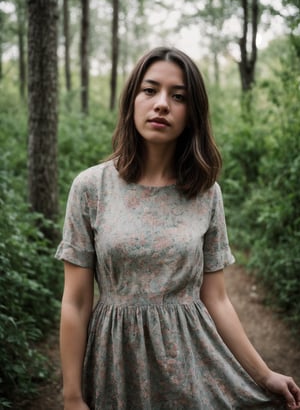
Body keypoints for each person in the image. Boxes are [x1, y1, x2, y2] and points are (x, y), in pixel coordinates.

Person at [56, 46, 300, 410]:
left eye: (178, 96)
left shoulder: (205, 193)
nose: (162, 104)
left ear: (192, 113)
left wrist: (264, 374)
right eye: (150, 90)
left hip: (190, 360)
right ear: (132, 100)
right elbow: (75, 302)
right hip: (115, 361)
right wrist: (72, 396)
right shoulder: (92, 188)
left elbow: (216, 297)